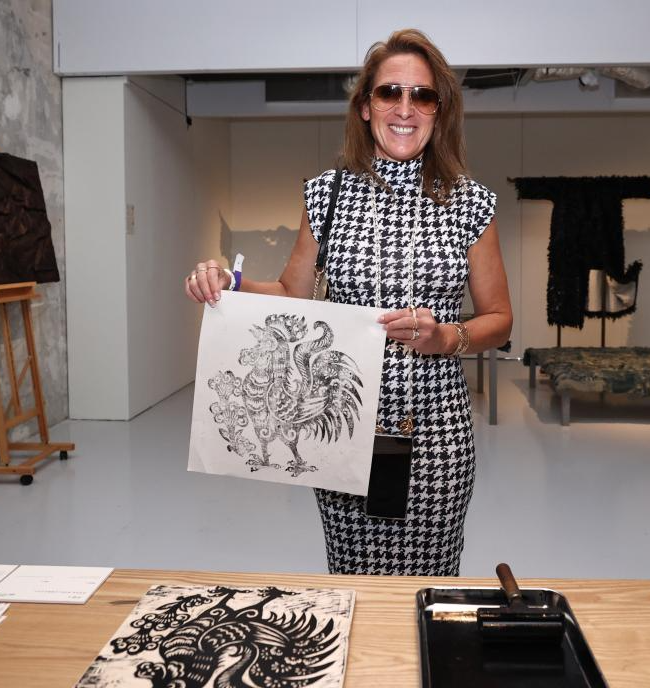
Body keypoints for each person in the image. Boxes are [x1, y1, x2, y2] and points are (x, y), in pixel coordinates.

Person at [185, 28, 512, 575]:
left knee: (428, 583)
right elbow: (291, 295)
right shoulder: (326, 195)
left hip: (436, 436)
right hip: (341, 431)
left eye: (422, 95)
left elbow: (499, 320)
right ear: (365, 106)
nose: (404, 108)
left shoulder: (470, 204)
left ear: (439, 112)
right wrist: (228, 283)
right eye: (389, 92)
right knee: (353, 581)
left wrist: (446, 336)